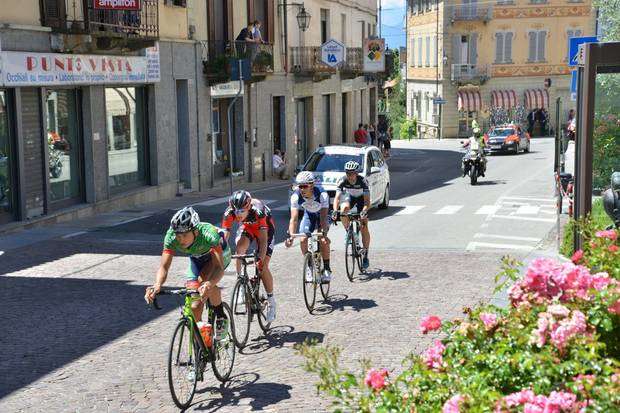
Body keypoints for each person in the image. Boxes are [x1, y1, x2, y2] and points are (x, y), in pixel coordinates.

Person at [145, 206, 232, 339]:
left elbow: (218, 269)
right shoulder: (171, 237)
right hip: (197, 258)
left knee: (204, 283)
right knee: (194, 304)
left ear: (195, 232)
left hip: (218, 256)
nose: (180, 239)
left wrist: (209, 284)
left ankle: (220, 315)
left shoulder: (209, 235)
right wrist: (157, 285)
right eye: (178, 235)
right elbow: (164, 267)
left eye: (185, 235)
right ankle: (202, 344)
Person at [222, 190, 277, 323]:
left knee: (263, 267)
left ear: (248, 207)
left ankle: (271, 301)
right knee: (239, 249)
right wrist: (220, 253)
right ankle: (241, 282)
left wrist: (260, 259)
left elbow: (263, 241)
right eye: (236, 211)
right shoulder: (229, 213)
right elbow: (224, 237)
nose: (238, 214)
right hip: (248, 228)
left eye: (241, 211)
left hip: (265, 231)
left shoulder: (258, 211)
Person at [284, 171, 333, 281]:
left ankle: (326, 268)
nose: (301, 189)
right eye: (299, 186)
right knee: (302, 239)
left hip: (322, 215)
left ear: (312, 185)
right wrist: (290, 237)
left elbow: (323, 217)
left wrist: (324, 234)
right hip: (309, 215)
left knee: (322, 239)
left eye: (304, 186)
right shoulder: (295, 196)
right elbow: (294, 218)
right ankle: (309, 266)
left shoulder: (322, 195)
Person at [332, 161, 371, 269]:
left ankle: (366, 254)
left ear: (357, 173)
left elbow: (367, 202)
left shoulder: (363, 181)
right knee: (343, 209)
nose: (349, 175)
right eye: (347, 173)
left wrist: (364, 211)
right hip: (350, 197)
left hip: (362, 199)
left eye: (352, 173)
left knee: (363, 225)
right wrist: (335, 210)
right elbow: (337, 198)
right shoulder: (343, 180)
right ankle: (349, 232)